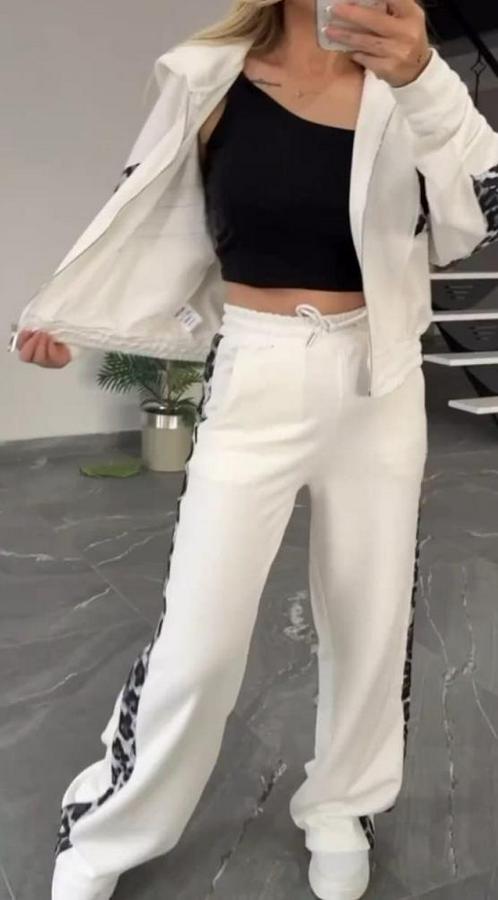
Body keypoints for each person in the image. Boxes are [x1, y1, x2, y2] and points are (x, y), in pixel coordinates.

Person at [13, 0, 498, 897]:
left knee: (371, 616)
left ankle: (341, 806)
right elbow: (143, 205)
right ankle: (110, 829)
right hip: (257, 371)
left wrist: (423, 77)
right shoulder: (209, 78)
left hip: (380, 378)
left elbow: (486, 206)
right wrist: (72, 310)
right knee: (197, 640)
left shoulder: (409, 80)